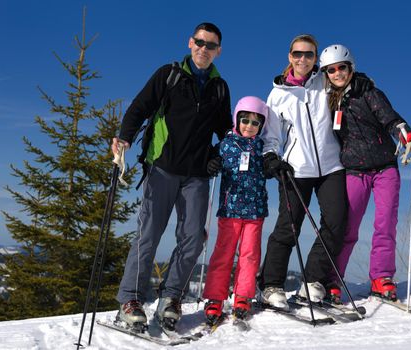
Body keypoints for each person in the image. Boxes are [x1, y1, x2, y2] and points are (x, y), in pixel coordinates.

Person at [111, 22, 232, 331]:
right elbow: (139, 107)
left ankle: (171, 298)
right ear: (190, 42)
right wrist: (124, 137)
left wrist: (217, 157)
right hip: (162, 168)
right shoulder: (169, 74)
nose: (204, 49)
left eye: (211, 45)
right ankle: (130, 300)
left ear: (218, 51)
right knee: (149, 235)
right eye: (200, 42)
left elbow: (226, 132)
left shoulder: (219, 88)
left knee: (193, 238)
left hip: (196, 175)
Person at [319, 44, 411, 302]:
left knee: (385, 224)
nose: (337, 73)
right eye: (331, 70)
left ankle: (381, 277)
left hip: (384, 167)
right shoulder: (327, 101)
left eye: (341, 67)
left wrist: (406, 134)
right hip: (354, 171)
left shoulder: (369, 92)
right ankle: (333, 279)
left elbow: (390, 119)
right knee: (347, 226)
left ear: (350, 68)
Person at [258, 34, 348, 309]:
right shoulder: (278, 94)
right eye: (298, 54)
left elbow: (344, 73)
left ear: (315, 58)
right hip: (296, 169)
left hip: (332, 166)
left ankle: (313, 282)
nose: (303, 59)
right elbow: (271, 136)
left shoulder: (324, 81)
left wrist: (363, 80)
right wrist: (271, 157)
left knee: (336, 223)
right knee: (289, 227)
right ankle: (271, 285)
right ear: (289, 56)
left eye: (309, 55)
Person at [202, 96, 269, 323]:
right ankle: (215, 297)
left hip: (254, 211)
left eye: (255, 122)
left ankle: (243, 295)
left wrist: (273, 166)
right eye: (245, 120)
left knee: (249, 255)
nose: (249, 126)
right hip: (229, 210)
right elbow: (210, 158)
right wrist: (212, 163)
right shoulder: (226, 144)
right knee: (224, 253)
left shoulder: (262, 146)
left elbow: (270, 164)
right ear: (236, 120)